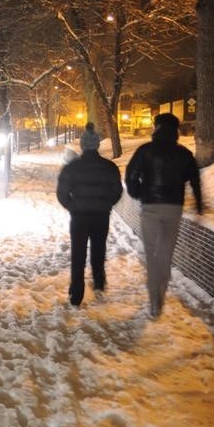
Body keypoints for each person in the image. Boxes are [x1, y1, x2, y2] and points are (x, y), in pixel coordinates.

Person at [124, 112, 203, 318]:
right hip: (173, 209)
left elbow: (131, 175)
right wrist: (199, 205)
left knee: (151, 254)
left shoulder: (145, 151)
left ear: (156, 127)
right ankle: (161, 292)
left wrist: (138, 193)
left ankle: (154, 301)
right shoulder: (184, 154)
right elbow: (194, 180)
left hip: (150, 208)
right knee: (165, 255)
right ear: (176, 130)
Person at [57, 122, 123, 306]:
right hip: (101, 216)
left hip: (79, 217)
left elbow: (62, 192)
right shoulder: (109, 167)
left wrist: (72, 206)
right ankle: (99, 282)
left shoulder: (72, 167)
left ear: (83, 145)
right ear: (97, 145)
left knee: (78, 253)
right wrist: (106, 204)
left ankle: (76, 293)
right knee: (98, 249)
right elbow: (117, 191)